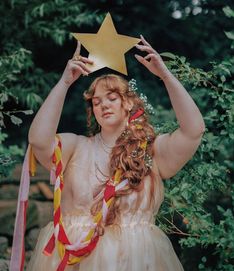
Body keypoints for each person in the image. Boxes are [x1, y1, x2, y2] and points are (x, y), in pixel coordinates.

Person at [25, 35, 205, 271]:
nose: (103, 105)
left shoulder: (152, 150)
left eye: (112, 98)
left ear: (128, 104)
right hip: (76, 261)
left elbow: (194, 130)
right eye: (97, 102)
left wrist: (165, 76)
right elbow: (38, 140)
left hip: (138, 260)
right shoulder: (75, 146)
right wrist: (64, 83)